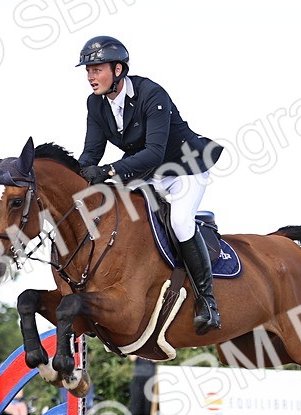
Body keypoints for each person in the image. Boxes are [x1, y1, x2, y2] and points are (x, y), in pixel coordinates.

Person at [75, 35, 224, 335]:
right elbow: (91, 153)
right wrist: (77, 181)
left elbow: (155, 152)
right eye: (88, 70)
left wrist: (109, 170)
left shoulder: (151, 94)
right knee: (123, 218)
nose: (91, 76)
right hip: (147, 174)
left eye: (97, 69)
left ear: (118, 70)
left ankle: (207, 302)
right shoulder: (96, 104)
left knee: (181, 222)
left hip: (184, 169)